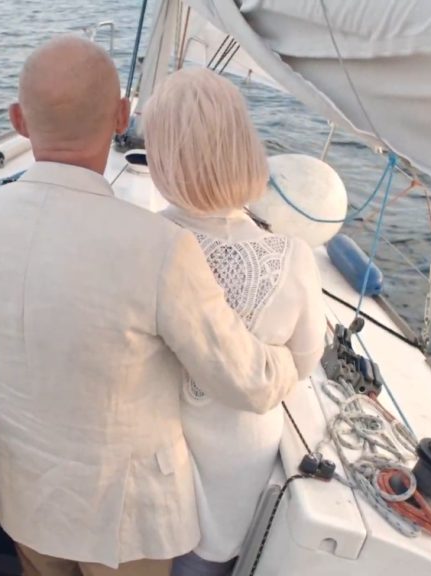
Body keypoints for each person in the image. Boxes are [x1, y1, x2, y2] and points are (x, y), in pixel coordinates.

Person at [0, 36, 306, 576]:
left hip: (25, 501)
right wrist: (294, 360)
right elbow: (247, 383)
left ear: (17, 120)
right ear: (120, 116)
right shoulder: (160, 247)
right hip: (131, 522)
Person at [141, 68, 327, 576]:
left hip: (150, 469)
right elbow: (307, 359)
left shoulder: (142, 242)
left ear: (163, 159)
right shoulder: (292, 257)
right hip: (235, 470)